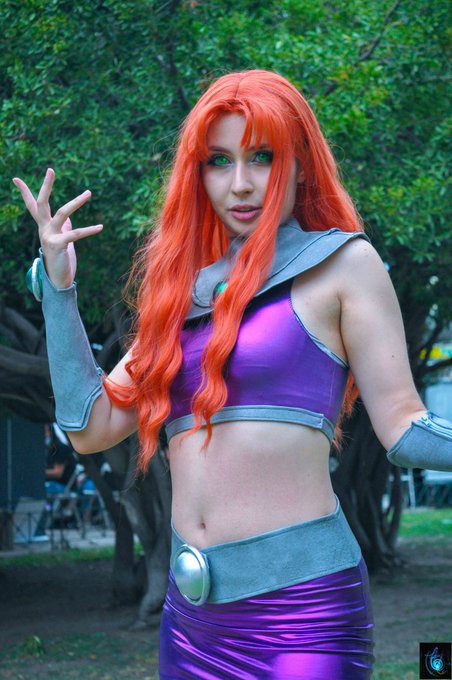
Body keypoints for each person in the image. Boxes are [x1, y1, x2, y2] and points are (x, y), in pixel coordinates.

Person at [13, 70, 451, 679]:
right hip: (191, 623)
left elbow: (403, 428)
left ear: (300, 166)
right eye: (219, 160)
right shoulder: (181, 296)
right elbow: (90, 427)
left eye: (262, 157)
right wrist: (60, 292)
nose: (240, 183)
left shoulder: (344, 265)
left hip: (304, 613)